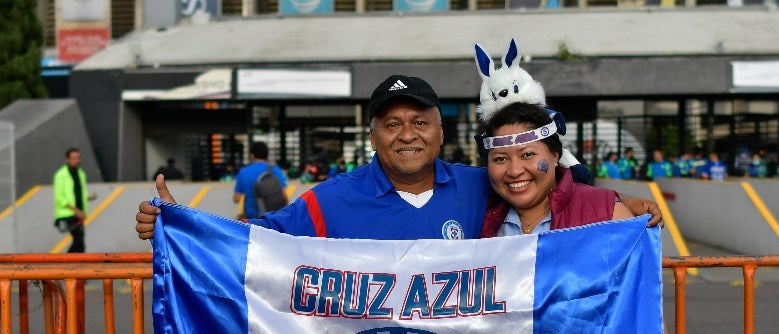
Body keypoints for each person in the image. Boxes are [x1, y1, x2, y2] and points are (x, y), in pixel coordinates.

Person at [137, 74, 662, 239]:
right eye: (392, 124)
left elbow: (546, 184)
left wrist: (619, 201)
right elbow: (252, 237)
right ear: (372, 135)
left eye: (419, 122)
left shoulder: (481, 184)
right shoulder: (328, 202)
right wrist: (178, 224)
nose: (406, 135)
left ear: (439, 132)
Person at [477, 102, 694, 334]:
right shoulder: (480, 221)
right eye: (500, 159)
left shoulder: (606, 212)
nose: (515, 169)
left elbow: (641, 310)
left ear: (556, 154)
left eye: (529, 154)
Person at [54, 147, 97, 253]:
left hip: (79, 213)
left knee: (80, 242)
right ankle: (64, 262)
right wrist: (76, 210)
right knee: (78, 239)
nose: (76, 160)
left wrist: (88, 197)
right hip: (68, 214)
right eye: (73, 158)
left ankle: (74, 265)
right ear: (67, 160)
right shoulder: (61, 175)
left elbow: (78, 192)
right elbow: (59, 197)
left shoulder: (80, 173)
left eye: (78, 158)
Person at [232, 141, 288, 219]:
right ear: (267, 155)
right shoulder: (276, 170)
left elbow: (236, 199)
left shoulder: (244, 171)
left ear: (252, 155)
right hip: (272, 218)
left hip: (253, 219)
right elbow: (284, 196)